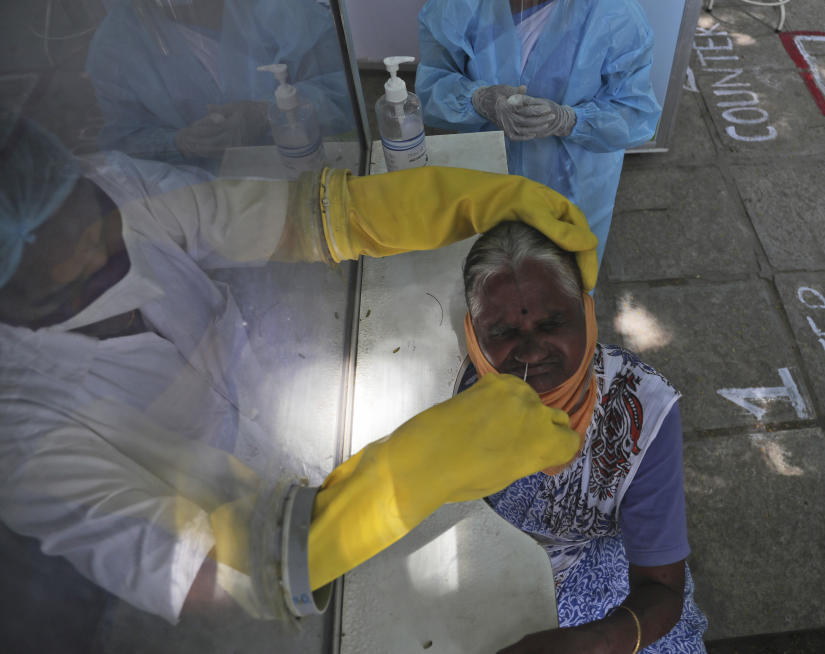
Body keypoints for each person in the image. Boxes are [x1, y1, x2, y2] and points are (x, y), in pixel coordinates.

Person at [0, 116, 599, 623]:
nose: (110, 244)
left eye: (96, 215)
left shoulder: (112, 189)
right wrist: (408, 479)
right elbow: (202, 571)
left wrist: (468, 201)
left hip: (277, 425)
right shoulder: (21, 433)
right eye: (74, 254)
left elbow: (302, 218)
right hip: (249, 586)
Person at [456, 222, 707, 653]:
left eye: (553, 322)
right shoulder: (454, 401)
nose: (532, 352)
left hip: (596, 569)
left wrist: (599, 641)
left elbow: (661, 589)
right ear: (474, 334)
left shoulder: (642, 416)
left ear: (586, 314)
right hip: (482, 563)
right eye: (502, 333)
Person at [416, 0, 662, 266]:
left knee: (563, 275)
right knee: (485, 272)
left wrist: (570, 120)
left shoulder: (613, 12)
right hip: (485, 173)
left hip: (571, 182)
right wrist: (479, 100)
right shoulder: (460, 6)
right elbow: (433, 83)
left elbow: (636, 111)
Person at [86, 0, 353, 167]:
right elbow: (123, 139)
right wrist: (179, 143)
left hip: (312, 163)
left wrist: (265, 114)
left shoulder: (280, 9)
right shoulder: (117, 45)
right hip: (206, 192)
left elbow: (344, 91)